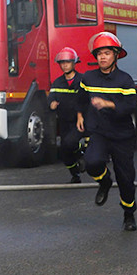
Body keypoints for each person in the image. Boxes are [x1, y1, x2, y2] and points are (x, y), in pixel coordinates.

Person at [76, 32, 137, 231]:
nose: (102, 57)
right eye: (99, 53)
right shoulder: (88, 78)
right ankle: (104, 181)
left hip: (122, 135)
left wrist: (108, 104)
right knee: (91, 162)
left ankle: (129, 214)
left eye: (107, 53)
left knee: (126, 179)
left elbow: (130, 106)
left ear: (116, 55)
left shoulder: (125, 80)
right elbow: (81, 98)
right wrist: (79, 116)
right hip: (99, 132)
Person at [48, 47, 85, 183]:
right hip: (64, 121)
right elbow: (51, 97)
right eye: (62, 62)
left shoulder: (83, 80)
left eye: (68, 62)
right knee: (64, 151)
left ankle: (82, 150)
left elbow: (88, 99)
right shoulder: (57, 82)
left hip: (79, 120)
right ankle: (75, 174)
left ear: (74, 63)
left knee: (71, 143)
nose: (64, 65)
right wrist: (51, 103)